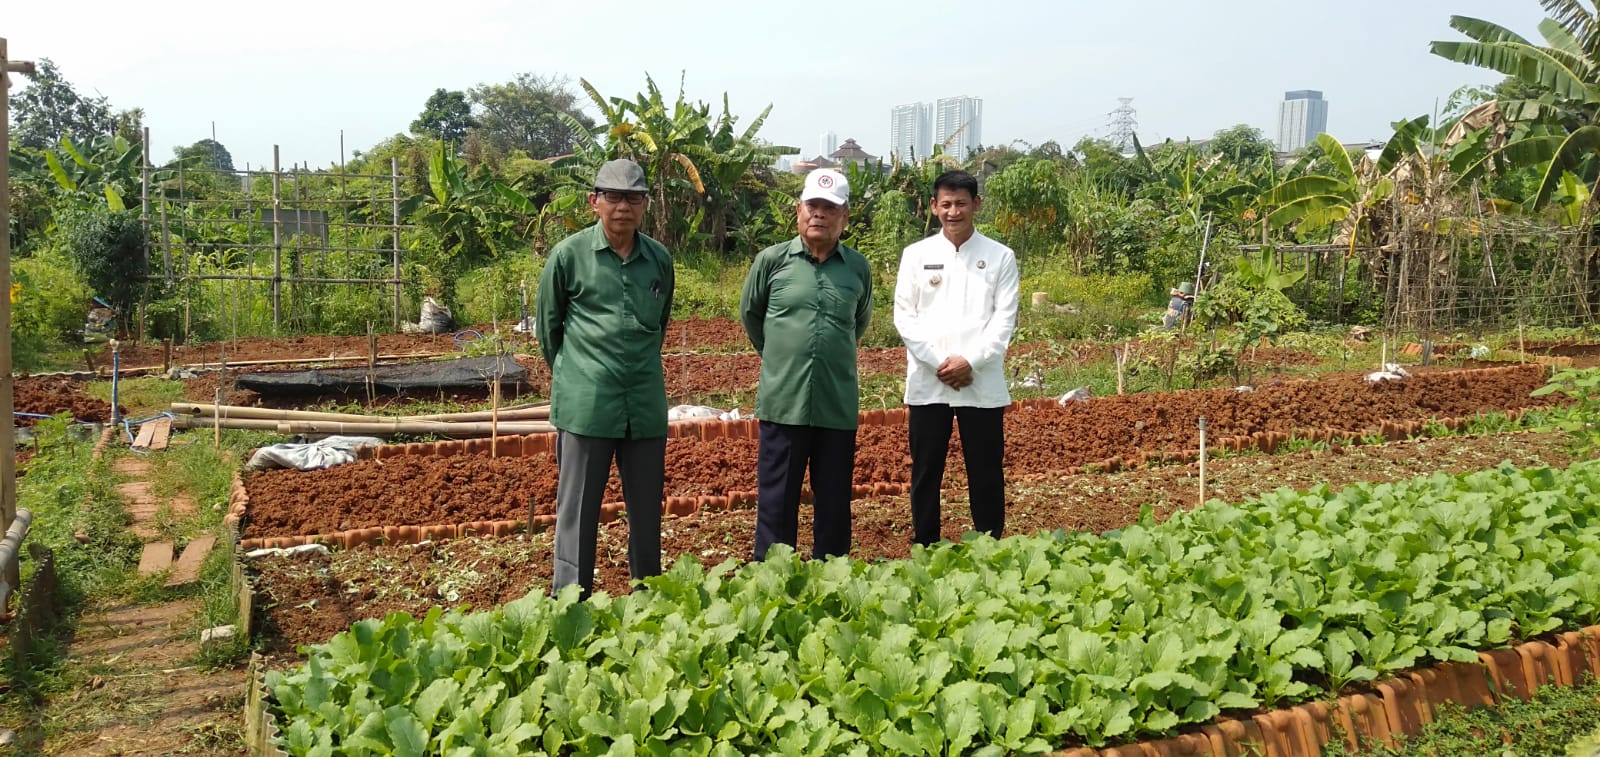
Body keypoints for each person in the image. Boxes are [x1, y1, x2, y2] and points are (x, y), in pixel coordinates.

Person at [536, 158, 674, 598]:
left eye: (633, 197)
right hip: (587, 404)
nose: (623, 206)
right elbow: (549, 332)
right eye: (612, 196)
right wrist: (579, 376)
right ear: (594, 202)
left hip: (644, 405)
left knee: (646, 510)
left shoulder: (659, 260)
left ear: (645, 205)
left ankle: (646, 596)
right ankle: (571, 599)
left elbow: (660, 327)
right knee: (576, 510)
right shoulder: (569, 256)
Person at [740, 168, 873, 561]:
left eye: (829, 208)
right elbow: (752, 316)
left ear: (844, 217)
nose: (819, 214)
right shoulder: (772, 261)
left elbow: (858, 323)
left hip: (836, 404)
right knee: (776, 502)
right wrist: (783, 358)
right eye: (812, 205)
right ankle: (772, 577)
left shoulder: (857, 268)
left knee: (833, 504)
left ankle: (830, 578)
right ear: (798, 210)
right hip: (783, 402)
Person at [892, 169, 1019, 547]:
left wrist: (971, 362)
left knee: (985, 471)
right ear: (933, 207)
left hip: (980, 382)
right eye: (945, 204)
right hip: (929, 382)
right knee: (926, 471)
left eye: (961, 203)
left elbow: (1004, 319)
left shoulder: (1000, 256)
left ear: (976, 204)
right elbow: (905, 316)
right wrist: (939, 363)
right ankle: (926, 546)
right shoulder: (916, 256)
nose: (953, 212)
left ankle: (989, 547)